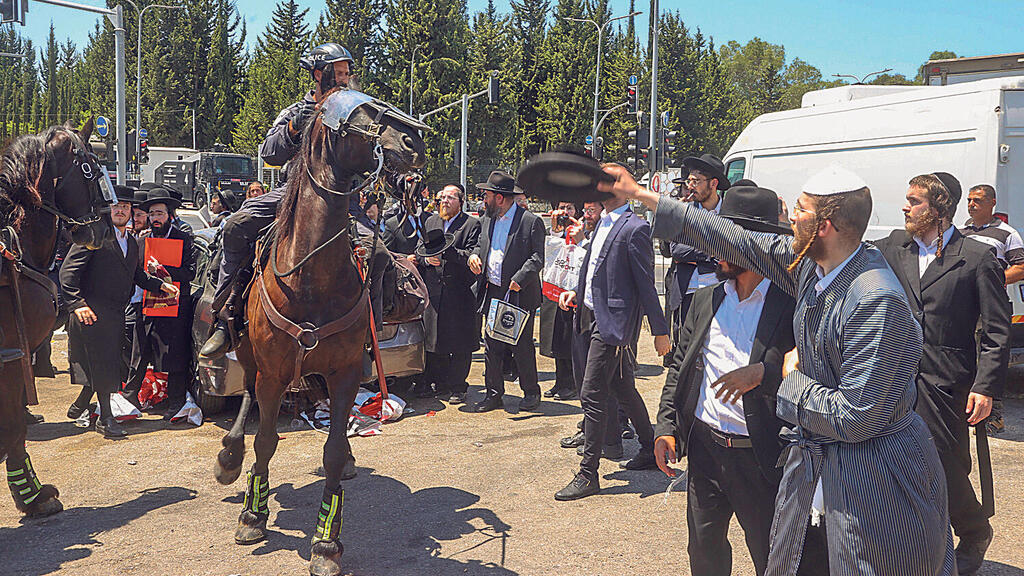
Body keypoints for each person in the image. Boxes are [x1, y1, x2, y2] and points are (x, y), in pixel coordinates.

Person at [602, 163, 955, 575]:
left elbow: (857, 417)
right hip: (826, 458)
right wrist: (642, 196)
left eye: (800, 211)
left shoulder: (874, 298)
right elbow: (733, 238)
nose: (790, 219)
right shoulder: (815, 264)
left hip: (874, 472)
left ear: (824, 226)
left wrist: (789, 381)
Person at [654, 186, 798, 576]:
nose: (714, 249)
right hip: (705, 451)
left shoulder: (793, 306)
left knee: (772, 556)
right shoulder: (706, 299)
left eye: (724, 240)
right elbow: (680, 367)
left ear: (755, 246)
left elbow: (814, 372)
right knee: (703, 553)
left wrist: (764, 374)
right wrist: (666, 427)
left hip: (762, 456)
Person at [872, 173, 1008, 576]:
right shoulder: (892, 248)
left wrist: (986, 388)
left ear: (939, 208)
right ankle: (916, 542)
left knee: (946, 462)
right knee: (892, 458)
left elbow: (997, 331)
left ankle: (973, 528)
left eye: (914, 201)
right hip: (895, 376)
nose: (905, 207)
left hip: (947, 381)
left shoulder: (977, 257)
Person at [201, 42, 357, 358]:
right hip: (292, 194)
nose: (345, 79)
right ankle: (226, 318)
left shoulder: (355, 113)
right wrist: (293, 127)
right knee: (235, 225)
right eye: (339, 73)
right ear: (319, 74)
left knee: (378, 253)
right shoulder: (294, 111)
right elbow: (270, 153)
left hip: (339, 201)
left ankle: (367, 336)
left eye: (347, 73)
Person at [552, 187, 671, 500]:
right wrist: (578, 294)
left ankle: (588, 473)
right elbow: (594, 270)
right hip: (591, 313)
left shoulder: (635, 228)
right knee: (621, 387)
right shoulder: (603, 221)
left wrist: (660, 330)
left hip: (613, 324)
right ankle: (649, 446)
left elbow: (645, 283)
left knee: (591, 392)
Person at [61, 196, 178, 438]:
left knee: (107, 363)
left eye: (125, 207)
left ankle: (82, 402)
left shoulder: (132, 242)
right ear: (107, 210)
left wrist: (160, 286)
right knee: (105, 365)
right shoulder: (93, 236)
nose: (121, 211)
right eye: (116, 206)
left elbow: (137, 275)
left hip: (116, 313)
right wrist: (76, 304)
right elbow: (68, 273)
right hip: (90, 312)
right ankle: (106, 419)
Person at [467, 170, 546, 412]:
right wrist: (474, 256)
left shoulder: (530, 221)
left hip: (518, 293)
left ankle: (531, 391)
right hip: (493, 289)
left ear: (500, 197)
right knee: (492, 344)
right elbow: (481, 245)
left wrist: (520, 278)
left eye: (487, 195)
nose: (483, 199)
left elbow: (537, 257)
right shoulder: (487, 219)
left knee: (521, 344)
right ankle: (493, 394)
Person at [124, 188, 198, 419]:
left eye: (160, 213)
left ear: (169, 215)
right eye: (152, 214)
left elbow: (191, 273)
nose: (156, 218)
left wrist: (163, 271)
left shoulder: (183, 238)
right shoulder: (141, 240)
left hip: (175, 306)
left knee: (175, 355)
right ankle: (129, 401)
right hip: (145, 304)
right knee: (140, 353)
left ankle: (176, 403)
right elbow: (132, 272)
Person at [961, 183, 1023, 435]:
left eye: (977, 200)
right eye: (969, 200)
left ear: (992, 203)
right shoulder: (962, 232)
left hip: (990, 306)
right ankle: (967, 412)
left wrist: (993, 283)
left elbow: (1020, 267)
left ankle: (994, 416)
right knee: (966, 358)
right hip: (964, 306)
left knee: (989, 360)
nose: (971, 205)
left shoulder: (1007, 234)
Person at [412, 184, 482, 404]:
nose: (444, 201)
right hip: (434, 291)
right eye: (442, 197)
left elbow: (471, 254)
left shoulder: (471, 224)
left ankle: (458, 386)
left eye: (450, 198)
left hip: (458, 292)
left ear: (460, 202)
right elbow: (419, 249)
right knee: (435, 339)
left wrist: (447, 253)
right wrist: (426, 259)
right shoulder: (431, 221)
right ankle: (439, 382)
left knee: (460, 343)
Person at [660, 154, 727, 366]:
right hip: (687, 291)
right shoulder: (684, 211)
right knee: (685, 351)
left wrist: (698, 245)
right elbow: (677, 249)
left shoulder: (730, 214)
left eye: (696, 181)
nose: (690, 187)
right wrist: (711, 250)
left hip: (721, 291)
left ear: (713, 183)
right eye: (689, 181)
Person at [540, 201, 582, 400]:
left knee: (569, 339)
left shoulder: (583, 230)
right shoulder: (554, 231)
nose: (566, 213)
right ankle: (560, 380)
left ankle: (572, 383)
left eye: (570, 208)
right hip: (554, 290)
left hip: (572, 291)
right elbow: (549, 251)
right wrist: (556, 230)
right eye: (562, 208)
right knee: (555, 337)